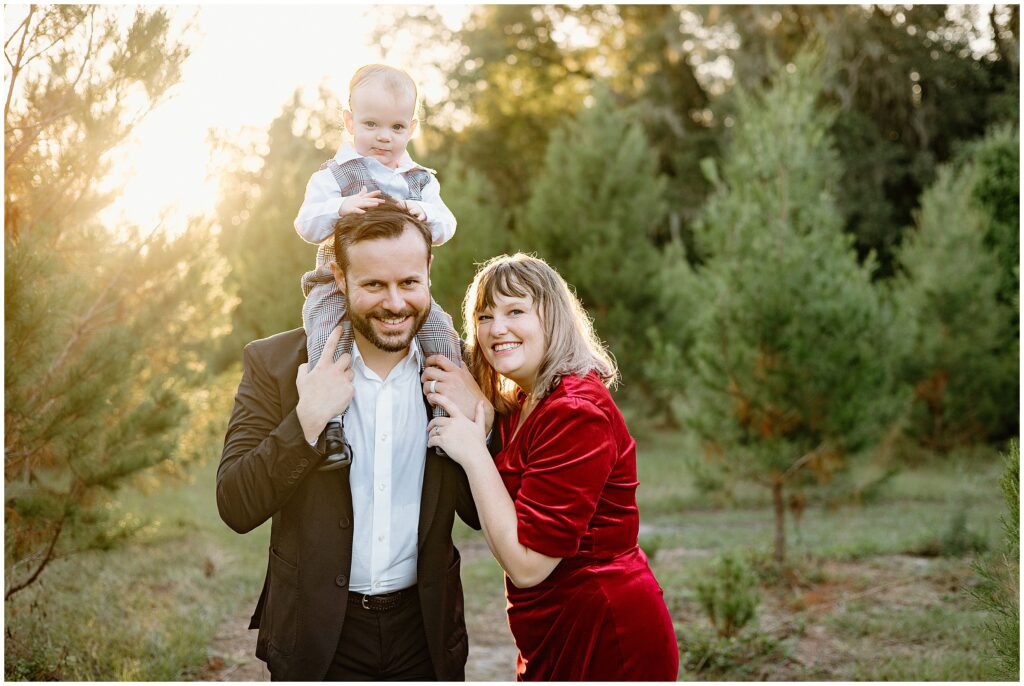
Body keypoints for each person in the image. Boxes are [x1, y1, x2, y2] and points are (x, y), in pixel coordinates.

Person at [217, 200, 490, 680]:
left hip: (424, 636)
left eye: (409, 282)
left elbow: (477, 513)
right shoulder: (275, 365)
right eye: (373, 285)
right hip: (315, 639)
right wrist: (306, 418)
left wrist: (477, 427)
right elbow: (236, 505)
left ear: (429, 270)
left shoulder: (461, 370)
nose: (395, 303)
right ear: (339, 279)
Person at [421, 253, 679, 681]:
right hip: (550, 627)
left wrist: (473, 453)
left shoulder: (577, 412)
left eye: (515, 311)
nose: (496, 328)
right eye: (484, 315)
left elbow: (527, 566)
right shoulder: (525, 403)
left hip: (605, 631)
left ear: (552, 319)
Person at [294, 63, 461, 464]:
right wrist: (341, 207)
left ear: (412, 128)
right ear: (350, 122)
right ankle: (330, 426)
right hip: (335, 283)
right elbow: (306, 224)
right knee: (325, 339)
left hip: (402, 284)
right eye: (371, 124)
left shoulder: (420, 181)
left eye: (397, 128)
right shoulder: (335, 176)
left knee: (443, 335)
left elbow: (447, 225)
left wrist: (420, 211)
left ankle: (444, 419)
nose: (384, 137)